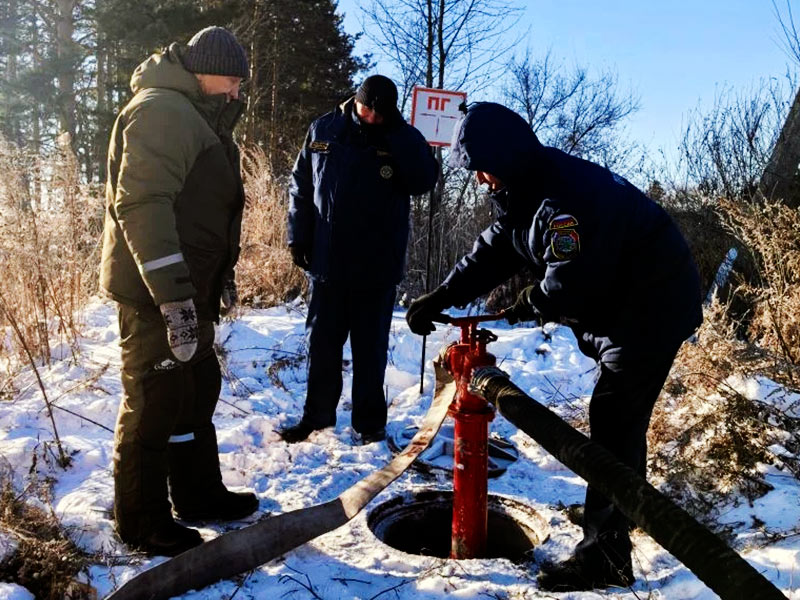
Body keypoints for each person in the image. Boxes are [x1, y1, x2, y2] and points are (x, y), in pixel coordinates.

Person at [406, 102, 702, 591]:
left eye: (481, 169)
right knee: (616, 424)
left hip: (651, 307)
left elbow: (572, 282)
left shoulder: (565, 201)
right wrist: (443, 294)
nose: (479, 180)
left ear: (503, 158)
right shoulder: (525, 187)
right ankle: (618, 516)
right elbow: (494, 250)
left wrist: (528, 303)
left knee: (612, 422)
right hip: (623, 306)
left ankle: (606, 556)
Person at [100, 26, 258, 557]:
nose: (238, 92)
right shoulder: (163, 111)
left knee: (195, 390)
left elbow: (205, 209)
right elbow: (142, 206)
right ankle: (141, 522)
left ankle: (197, 495)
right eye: (233, 80)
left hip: (192, 289)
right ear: (204, 70)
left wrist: (218, 279)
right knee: (154, 398)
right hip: (154, 293)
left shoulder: (198, 116)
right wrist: (172, 298)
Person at [282, 75, 439, 445]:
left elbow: (423, 180)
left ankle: (370, 425)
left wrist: (396, 134)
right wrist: (297, 236)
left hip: (376, 267)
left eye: (380, 115)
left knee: (370, 352)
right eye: (367, 110)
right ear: (357, 101)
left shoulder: (403, 136)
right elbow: (300, 185)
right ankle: (317, 417)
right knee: (322, 347)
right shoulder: (324, 128)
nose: (371, 119)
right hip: (327, 262)